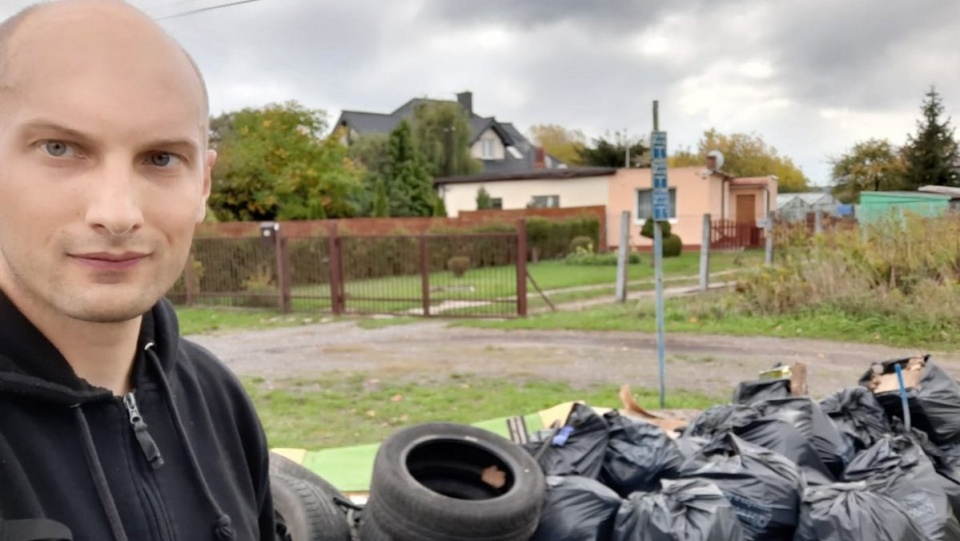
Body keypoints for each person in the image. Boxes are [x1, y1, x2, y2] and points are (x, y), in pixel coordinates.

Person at [0, 1, 274, 539]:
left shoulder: (218, 398)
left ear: (203, 185)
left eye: (161, 158)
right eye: (60, 148)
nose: (118, 213)